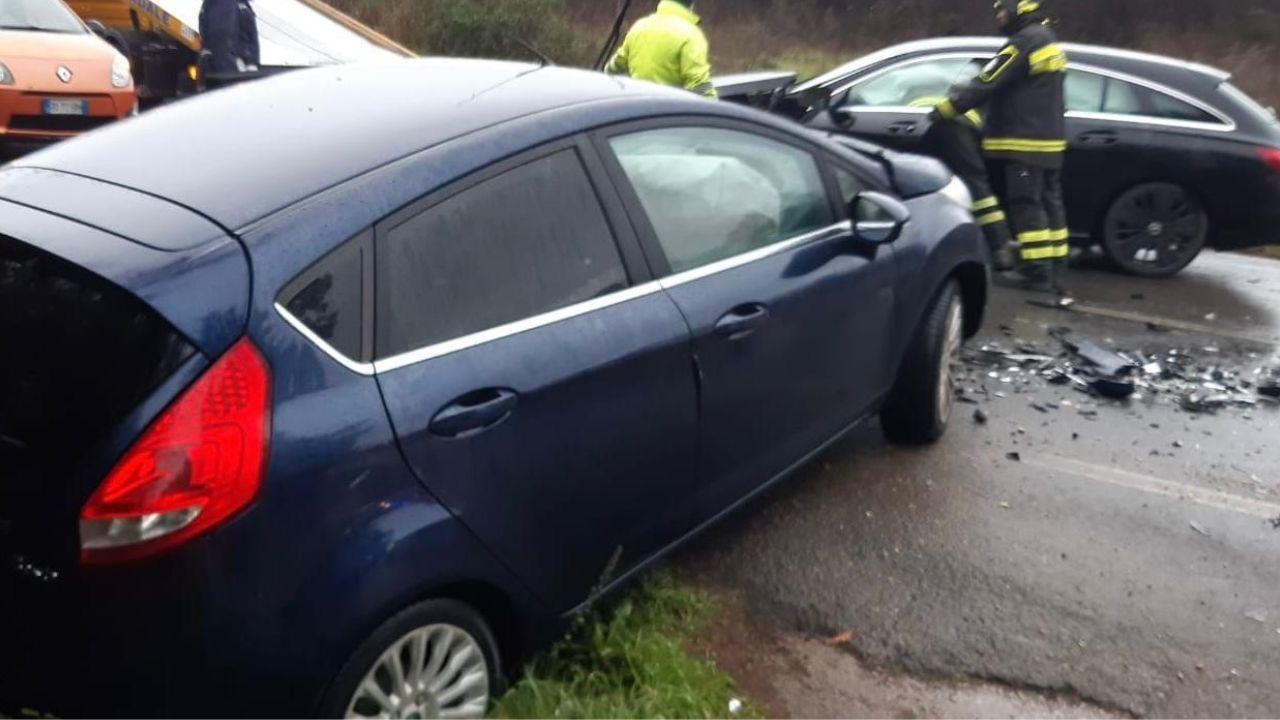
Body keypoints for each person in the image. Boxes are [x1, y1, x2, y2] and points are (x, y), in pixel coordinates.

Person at [931, 0, 1068, 290]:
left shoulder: (1024, 42)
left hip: (1025, 142)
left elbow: (987, 80)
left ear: (1019, 10)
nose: (999, 17)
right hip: (1049, 141)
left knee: (1026, 204)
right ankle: (1055, 266)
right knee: (1049, 204)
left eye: (1002, 11)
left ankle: (1037, 273)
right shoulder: (1048, 40)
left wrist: (947, 108)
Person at [606, 0, 717, 99]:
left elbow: (613, 67)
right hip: (668, 115)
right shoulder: (692, 35)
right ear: (692, 4)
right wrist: (715, 114)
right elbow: (699, 86)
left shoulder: (639, 27)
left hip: (637, 111)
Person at [199, 0, 260, 78]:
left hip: (239, 66)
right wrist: (235, 68)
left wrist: (251, 63)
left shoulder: (240, 4)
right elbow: (222, 42)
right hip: (235, 68)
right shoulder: (226, 4)